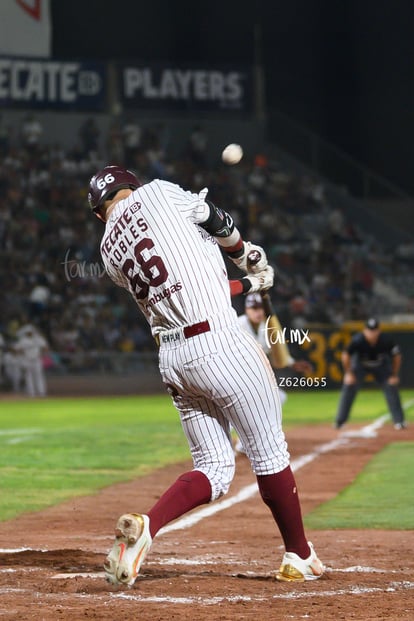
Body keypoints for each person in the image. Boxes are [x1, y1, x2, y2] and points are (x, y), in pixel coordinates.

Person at [87, 164, 324, 587]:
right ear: (131, 185)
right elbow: (216, 219)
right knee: (269, 451)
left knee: (214, 467)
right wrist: (242, 253)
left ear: (99, 211)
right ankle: (299, 554)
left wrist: (248, 284)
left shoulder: (108, 251)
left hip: (174, 359)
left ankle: (148, 524)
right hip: (219, 343)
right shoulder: (158, 191)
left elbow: (188, 281)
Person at [234, 292, 312, 452]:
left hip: (254, 377)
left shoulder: (267, 327)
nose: (257, 312)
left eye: (260, 308)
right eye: (253, 308)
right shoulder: (237, 325)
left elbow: (278, 353)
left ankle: (245, 443)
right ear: (246, 309)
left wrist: (293, 364)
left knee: (278, 398)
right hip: (234, 375)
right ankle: (232, 443)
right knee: (236, 411)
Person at [334, 317, 406, 430]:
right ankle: (340, 421)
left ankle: (399, 421)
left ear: (378, 331)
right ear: (365, 331)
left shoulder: (385, 340)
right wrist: (349, 373)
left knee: (391, 386)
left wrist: (394, 375)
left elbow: (397, 356)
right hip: (360, 365)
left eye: (374, 330)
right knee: (349, 385)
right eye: (369, 330)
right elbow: (345, 355)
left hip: (380, 366)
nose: (372, 333)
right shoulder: (358, 340)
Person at [14, 325, 49, 397]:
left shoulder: (38, 338)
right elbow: (16, 349)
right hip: (27, 360)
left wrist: (42, 354)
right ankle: (31, 393)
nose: (30, 333)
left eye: (31, 332)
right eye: (28, 332)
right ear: (26, 333)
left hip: (37, 360)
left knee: (39, 376)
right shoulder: (23, 340)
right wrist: (22, 354)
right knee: (28, 377)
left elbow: (45, 347)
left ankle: (41, 392)